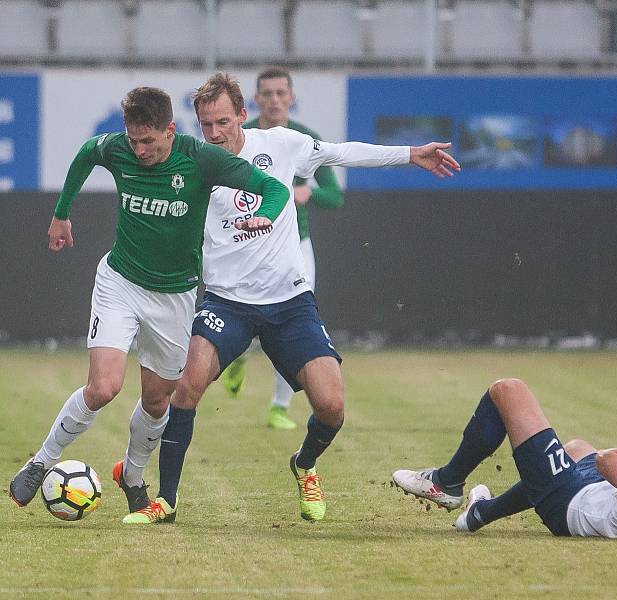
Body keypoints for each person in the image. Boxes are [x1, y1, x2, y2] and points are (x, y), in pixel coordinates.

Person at [120, 72, 459, 524]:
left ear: (243, 115)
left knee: (331, 405)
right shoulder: (190, 162)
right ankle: (168, 499)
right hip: (226, 302)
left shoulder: (281, 143)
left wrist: (411, 153)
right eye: (206, 125)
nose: (216, 133)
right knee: (187, 386)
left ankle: (304, 464)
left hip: (289, 302)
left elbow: (341, 152)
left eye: (223, 121)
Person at [8, 87, 289, 523]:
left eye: (148, 142)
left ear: (170, 131)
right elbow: (86, 153)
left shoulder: (201, 158)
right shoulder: (119, 148)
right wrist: (61, 213)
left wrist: (266, 214)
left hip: (174, 296)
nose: (138, 150)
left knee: (158, 401)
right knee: (103, 387)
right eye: (133, 140)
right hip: (120, 281)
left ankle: (133, 476)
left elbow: (271, 188)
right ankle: (42, 460)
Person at [393, 378, 617, 538]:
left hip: (567, 504)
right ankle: (480, 514)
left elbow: (607, 459)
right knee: (576, 447)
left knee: (508, 391)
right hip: (597, 495)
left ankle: (448, 482)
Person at [221, 66, 344, 431]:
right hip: (247, 244)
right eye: (267, 94)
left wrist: (310, 192)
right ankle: (237, 353)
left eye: (280, 93)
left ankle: (279, 406)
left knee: (294, 318)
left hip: (294, 247)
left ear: (291, 97)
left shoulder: (305, 137)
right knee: (241, 309)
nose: (274, 100)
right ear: (255, 100)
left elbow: (335, 196)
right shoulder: (241, 136)